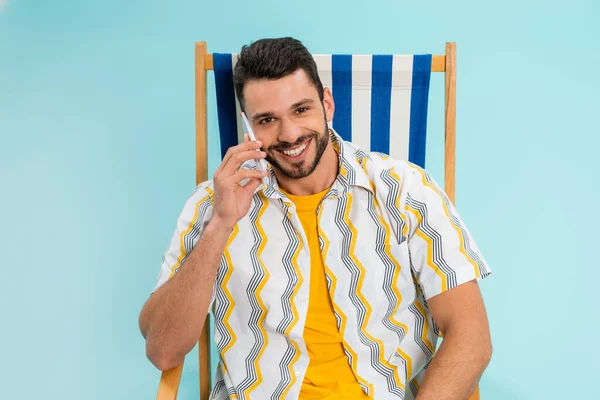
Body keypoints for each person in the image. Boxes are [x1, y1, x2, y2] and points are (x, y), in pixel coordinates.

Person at [139, 37, 492, 400]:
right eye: (267, 120)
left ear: (326, 103)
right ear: (248, 126)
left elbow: (471, 337)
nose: (289, 133)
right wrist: (220, 226)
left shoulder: (406, 190)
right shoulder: (211, 205)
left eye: (301, 110)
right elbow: (163, 350)